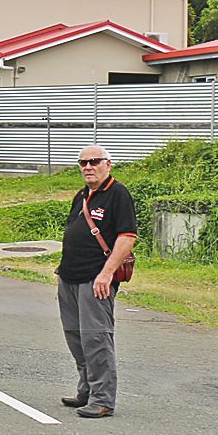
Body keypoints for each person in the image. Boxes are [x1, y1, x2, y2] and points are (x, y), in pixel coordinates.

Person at [56, 144, 137, 419]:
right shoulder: (82, 195)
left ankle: (102, 400)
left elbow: (127, 237)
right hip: (69, 277)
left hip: (95, 280)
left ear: (108, 164)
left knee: (96, 338)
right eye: (83, 163)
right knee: (75, 337)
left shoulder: (118, 194)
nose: (88, 167)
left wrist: (106, 273)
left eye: (94, 162)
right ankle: (87, 391)